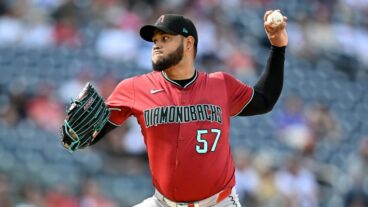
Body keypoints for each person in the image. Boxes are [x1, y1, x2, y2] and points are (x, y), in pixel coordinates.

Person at [62, 11, 288, 207]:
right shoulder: (134, 88)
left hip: (218, 202)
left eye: (165, 38)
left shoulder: (221, 85)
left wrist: (278, 47)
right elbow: (91, 133)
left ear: (188, 44)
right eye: (155, 40)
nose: (157, 44)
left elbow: (265, 99)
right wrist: (75, 135)